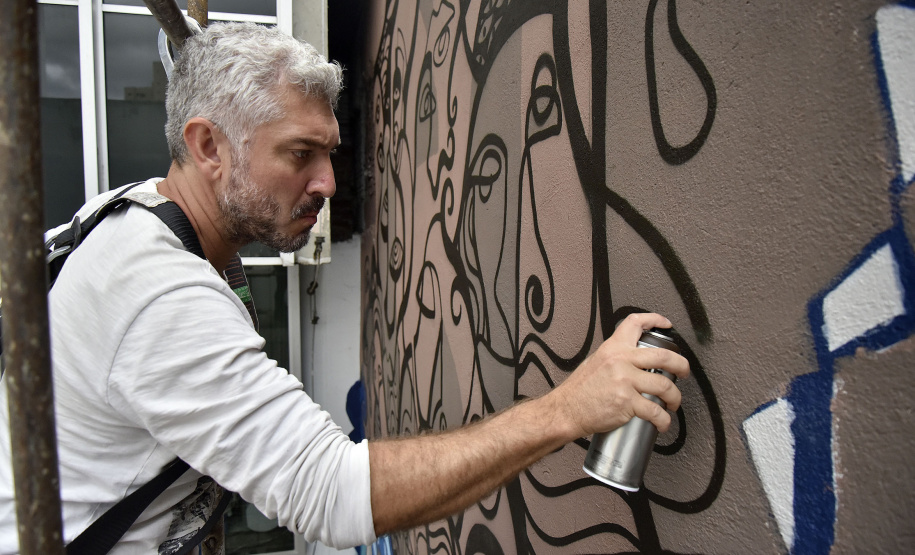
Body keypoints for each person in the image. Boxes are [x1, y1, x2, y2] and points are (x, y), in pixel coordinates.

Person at [0, 22, 689, 553]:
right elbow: (331, 493)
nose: (328, 183)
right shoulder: (157, 295)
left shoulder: (132, 211)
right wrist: (568, 408)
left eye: (329, 153)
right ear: (208, 146)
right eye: (300, 154)